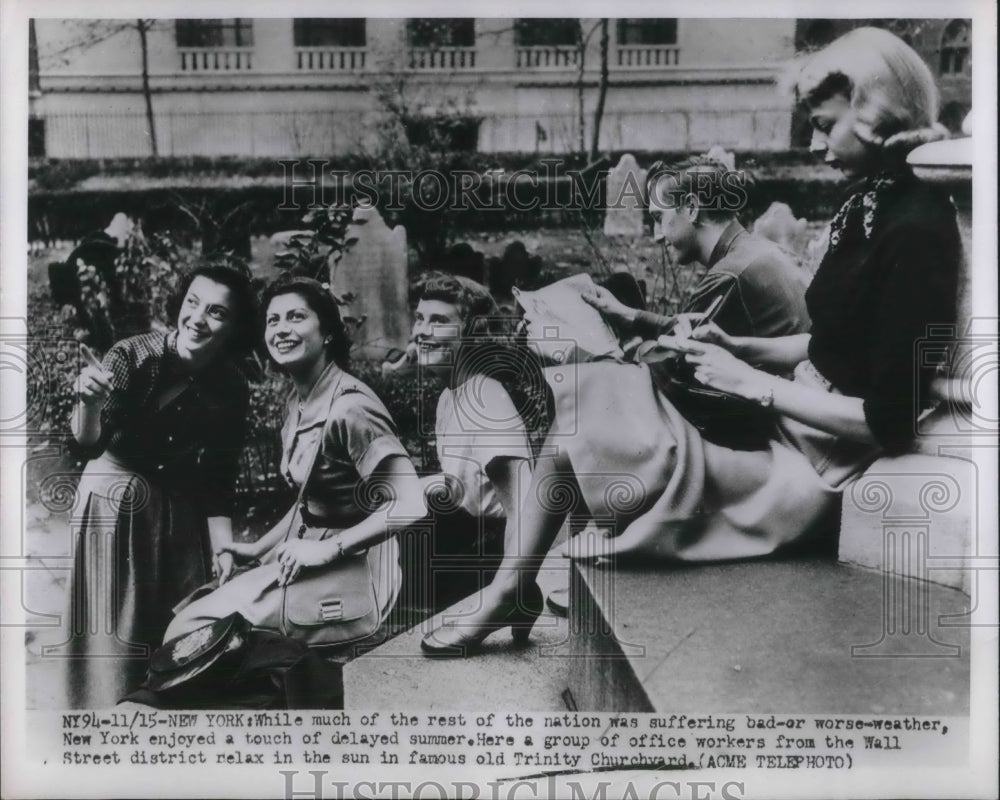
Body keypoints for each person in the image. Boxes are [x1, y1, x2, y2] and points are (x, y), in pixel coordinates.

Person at [419, 26, 960, 656]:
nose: (814, 145)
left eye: (824, 125)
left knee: (595, 399)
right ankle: (512, 586)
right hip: (789, 427)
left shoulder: (918, 229)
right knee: (588, 394)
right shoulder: (871, 204)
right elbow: (833, 347)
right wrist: (744, 349)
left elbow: (887, 422)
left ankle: (511, 587)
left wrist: (752, 385)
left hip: (813, 467)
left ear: (877, 112)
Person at [163, 276, 426, 643]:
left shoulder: (351, 408)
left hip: (354, 570)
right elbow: (312, 500)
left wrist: (327, 549)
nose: (281, 329)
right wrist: (259, 548)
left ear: (328, 332)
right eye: (273, 320)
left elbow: (411, 504)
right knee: (191, 614)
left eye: (296, 317)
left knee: (192, 630)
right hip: (309, 549)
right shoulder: (299, 400)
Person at [59, 263, 259, 707]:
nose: (197, 319)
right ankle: (102, 718)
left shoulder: (232, 385)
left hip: (178, 510)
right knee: (112, 632)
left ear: (234, 328)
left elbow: (219, 478)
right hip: (115, 501)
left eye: (216, 312)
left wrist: (224, 549)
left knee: (179, 636)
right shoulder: (133, 356)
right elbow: (87, 445)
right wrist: (88, 403)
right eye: (193, 303)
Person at [399, 273, 537, 621]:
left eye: (439, 321)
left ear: (471, 334)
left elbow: (523, 512)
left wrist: (506, 595)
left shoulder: (486, 401)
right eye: (419, 318)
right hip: (464, 541)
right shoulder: (451, 395)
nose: (421, 331)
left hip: (491, 560)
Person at [584, 156, 812, 342]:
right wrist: (630, 315)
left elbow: (679, 357)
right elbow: (693, 326)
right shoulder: (761, 250)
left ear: (692, 208)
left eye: (659, 218)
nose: (656, 236)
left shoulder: (728, 274)